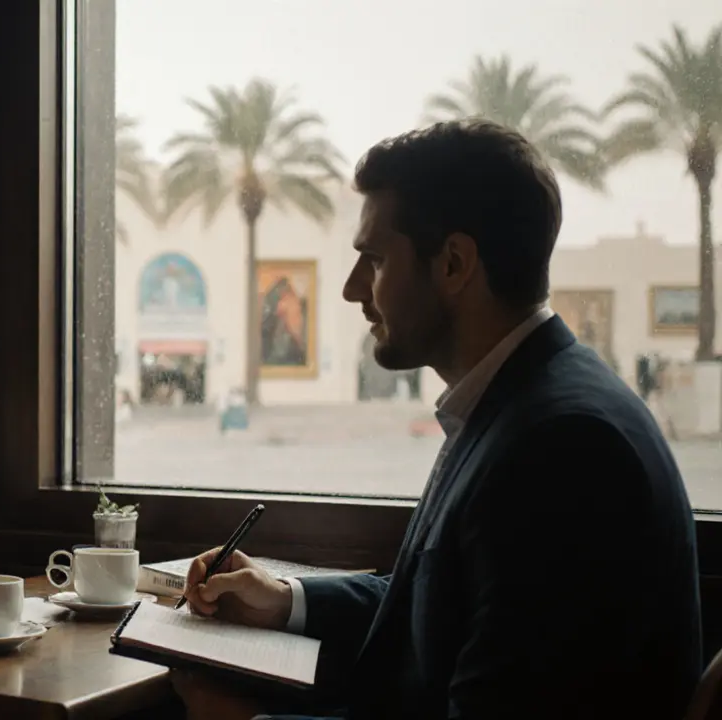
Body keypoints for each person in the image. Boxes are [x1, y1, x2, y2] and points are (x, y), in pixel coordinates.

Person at [174, 120, 701, 720]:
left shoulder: (563, 449)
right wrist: (285, 600)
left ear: (453, 263)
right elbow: (439, 609)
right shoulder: (527, 403)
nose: (351, 290)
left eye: (372, 260)